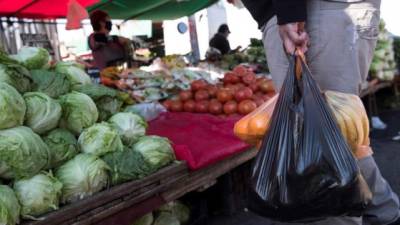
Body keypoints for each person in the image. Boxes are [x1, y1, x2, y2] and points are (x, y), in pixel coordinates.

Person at [241, 0, 400, 225]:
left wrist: (289, 12)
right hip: (316, 12)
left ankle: (378, 211)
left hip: (311, 12)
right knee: (336, 135)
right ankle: (384, 210)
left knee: (322, 152)